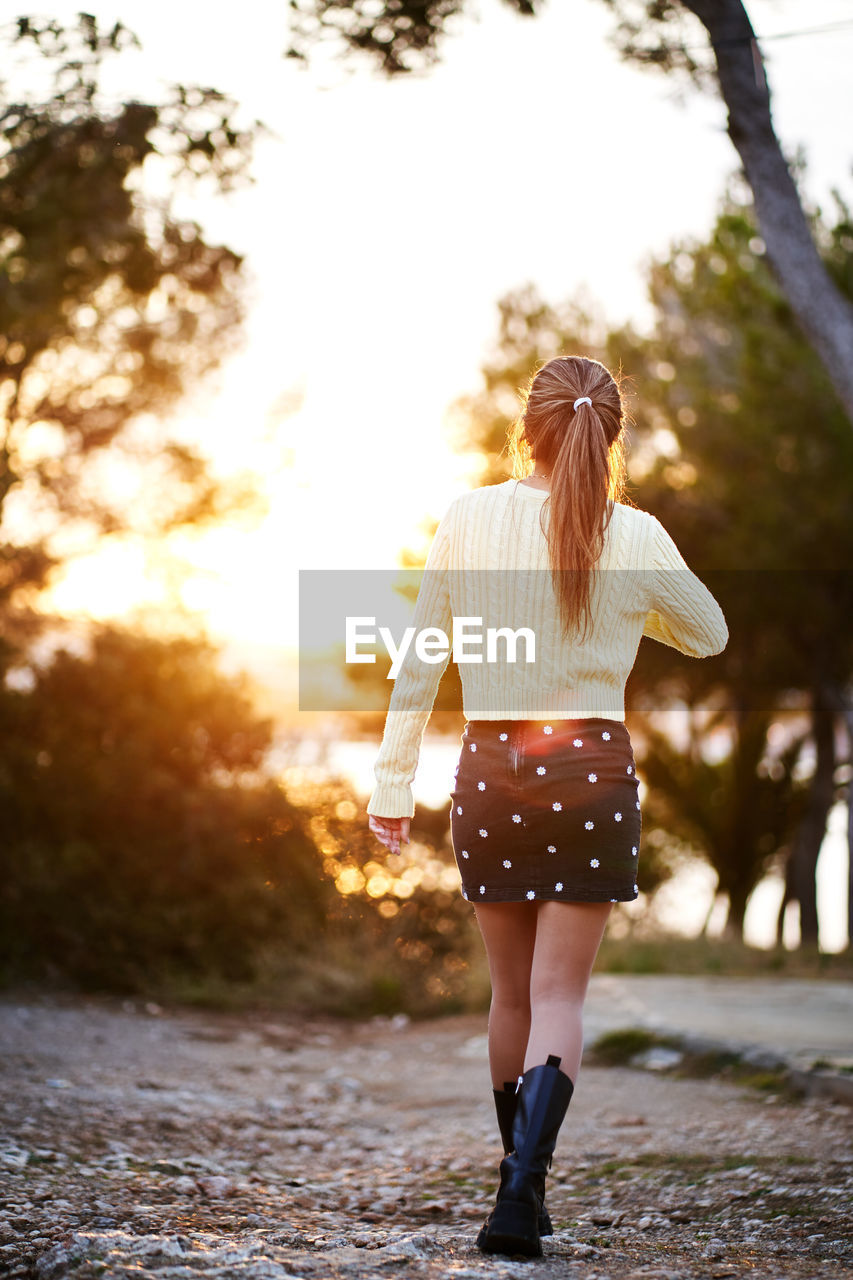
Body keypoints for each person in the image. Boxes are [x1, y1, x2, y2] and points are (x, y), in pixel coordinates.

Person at [365, 354, 729, 1257]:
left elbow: (420, 660)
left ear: (523, 429)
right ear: (609, 437)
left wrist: (391, 785)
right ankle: (523, 1195)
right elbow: (708, 634)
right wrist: (619, 614)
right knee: (560, 995)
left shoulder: (467, 518)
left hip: (492, 765)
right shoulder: (636, 535)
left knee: (511, 998)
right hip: (591, 771)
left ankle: (512, 1191)